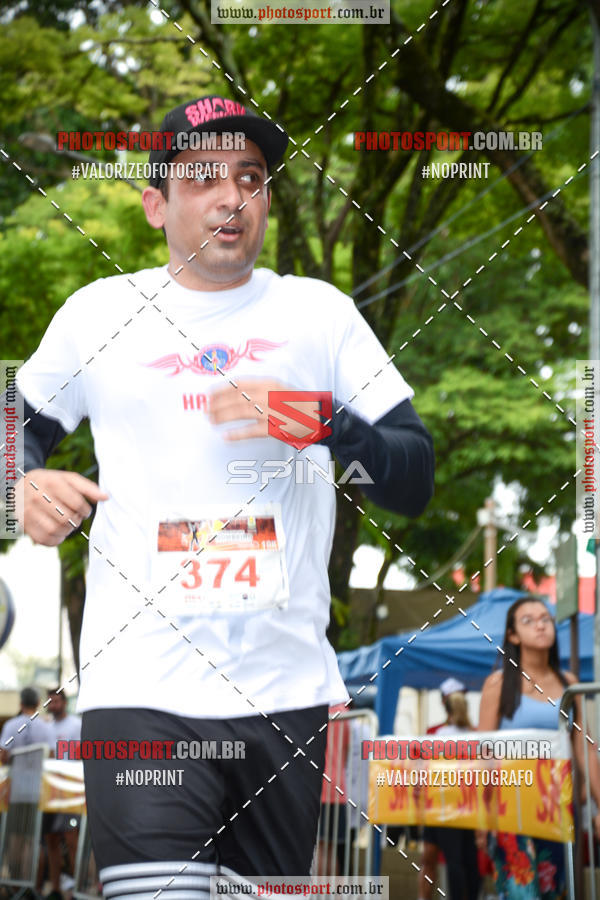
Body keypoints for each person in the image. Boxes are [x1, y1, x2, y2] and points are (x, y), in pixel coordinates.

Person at [11, 94, 434, 895]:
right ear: (155, 204)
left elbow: (413, 478)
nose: (231, 195)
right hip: (139, 687)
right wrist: (20, 485)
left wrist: (323, 423)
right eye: (202, 177)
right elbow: (13, 429)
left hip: (286, 698)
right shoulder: (97, 314)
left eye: (250, 177)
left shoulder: (321, 316)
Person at [478, 595, 600, 899]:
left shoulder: (568, 682)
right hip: (510, 807)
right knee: (521, 893)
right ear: (513, 635)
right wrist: (481, 816)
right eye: (528, 620)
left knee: (552, 891)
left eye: (546, 618)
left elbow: (585, 749)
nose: (541, 625)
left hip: (556, 806)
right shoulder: (498, 683)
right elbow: (483, 754)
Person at [417, 676, 468, 900]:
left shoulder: (474, 732)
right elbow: (421, 770)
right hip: (435, 806)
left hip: (461, 807)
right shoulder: (433, 732)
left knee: (458, 859)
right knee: (428, 856)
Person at [43, 689, 82, 900]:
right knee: (51, 839)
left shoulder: (76, 724)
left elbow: (80, 755)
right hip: (50, 790)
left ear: (64, 703)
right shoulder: (47, 727)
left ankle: (76, 888)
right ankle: (56, 888)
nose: (54, 705)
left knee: (71, 839)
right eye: (50, 701)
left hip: (70, 790)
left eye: (57, 701)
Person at [0, 687, 53, 762]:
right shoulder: (47, 726)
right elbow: (51, 754)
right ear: (38, 703)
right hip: (38, 772)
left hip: (15, 772)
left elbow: (3, 755)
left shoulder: (10, 725)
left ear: (21, 704)